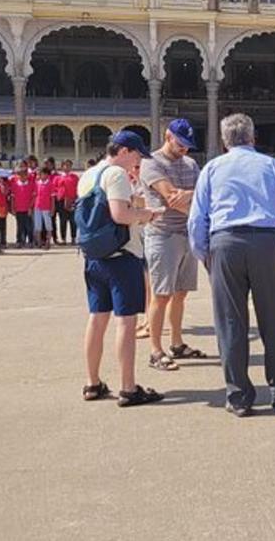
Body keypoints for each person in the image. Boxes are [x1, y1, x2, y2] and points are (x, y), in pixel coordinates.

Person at [188, 113, 275, 417]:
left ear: (224, 141)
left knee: (230, 322)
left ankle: (238, 396)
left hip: (224, 243)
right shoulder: (271, 166)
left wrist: (205, 254)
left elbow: (197, 218)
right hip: (267, 243)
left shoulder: (212, 168)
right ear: (253, 138)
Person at [78, 130, 163, 408]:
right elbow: (120, 215)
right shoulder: (115, 174)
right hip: (120, 257)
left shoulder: (89, 174)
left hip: (94, 257)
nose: (138, 160)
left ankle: (92, 382)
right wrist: (146, 215)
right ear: (124, 151)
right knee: (125, 321)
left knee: (97, 318)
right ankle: (128, 387)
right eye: (137, 154)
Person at [139, 118, 207, 372]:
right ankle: (156, 350)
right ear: (168, 136)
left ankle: (177, 343)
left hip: (186, 233)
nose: (184, 149)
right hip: (162, 235)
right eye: (180, 143)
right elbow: (171, 198)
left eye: (188, 145)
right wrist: (192, 195)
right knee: (161, 294)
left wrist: (190, 195)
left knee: (181, 293)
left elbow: (204, 196)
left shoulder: (190, 163)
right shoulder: (152, 162)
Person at [8, 163, 35, 248]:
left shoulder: (31, 184)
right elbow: (12, 198)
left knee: (29, 226)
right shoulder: (15, 185)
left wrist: (31, 207)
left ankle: (30, 241)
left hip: (28, 209)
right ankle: (19, 241)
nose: (22, 177)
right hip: (18, 209)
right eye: (20, 175)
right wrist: (12, 208)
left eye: (24, 175)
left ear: (27, 175)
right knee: (20, 226)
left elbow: (33, 197)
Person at [33, 167, 56, 250]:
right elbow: (35, 195)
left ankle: (48, 241)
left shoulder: (50, 184)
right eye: (40, 174)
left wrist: (53, 208)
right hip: (37, 206)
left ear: (47, 175)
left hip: (46, 207)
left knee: (48, 225)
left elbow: (52, 198)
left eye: (43, 174)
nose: (41, 175)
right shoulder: (37, 183)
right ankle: (39, 242)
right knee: (38, 225)